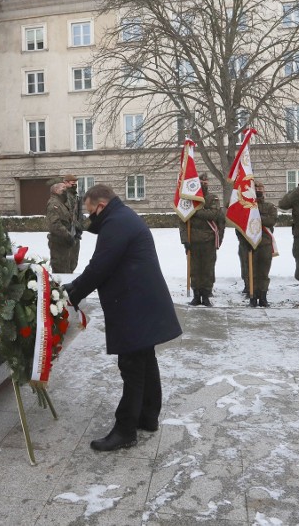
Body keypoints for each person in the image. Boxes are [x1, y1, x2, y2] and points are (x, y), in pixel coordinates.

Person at [63, 185, 182, 452]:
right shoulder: (122, 218)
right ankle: (148, 417)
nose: (89, 217)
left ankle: (125, 430)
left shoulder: (117, 224)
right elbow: (105, 252)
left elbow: (99, 267)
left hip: (134, 305)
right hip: (142, 301)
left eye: (90, 211)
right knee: (145, 360)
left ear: (101, 206)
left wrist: (72, 293)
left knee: (132, 367)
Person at [179, 173, 223, 306]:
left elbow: (213, 214)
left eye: (206, 182)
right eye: (201, 182)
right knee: (195, 270)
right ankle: (196, 295)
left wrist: (195, 212)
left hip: (208, 240)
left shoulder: (212, 198)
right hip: (193, 241)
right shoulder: (188, 201)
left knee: (208, 269)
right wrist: (185, 240)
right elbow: (182, 221)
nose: (204, 184)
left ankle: (206, 295)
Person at [238, 180, 277, 307]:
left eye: (261, 188)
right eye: (257, 189)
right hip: (251, 244)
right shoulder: (246, 207)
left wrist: (255, 217)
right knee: (252, 273)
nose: (259, 190)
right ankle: (253, 297)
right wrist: (245, 242)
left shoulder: (270, 207)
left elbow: (271, 221)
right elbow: (240, 227)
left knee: (264, 273)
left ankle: (263, 297)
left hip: (265, 244)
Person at [46, 182, 77, 273]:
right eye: (63, 187)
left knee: (68, 270)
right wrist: (67, 235)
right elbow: (54, 224)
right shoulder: (53, 203)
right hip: (59, 245)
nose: (66, 189)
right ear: (56, 190)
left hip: (65, 244)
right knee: (61, 273)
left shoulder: (61, 203)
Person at [62, 174, 82, 272]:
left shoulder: (75, 196)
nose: (75, 185)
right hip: (66, 231)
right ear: (65, 183)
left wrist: (79, 227)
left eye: (75, 183)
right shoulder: (63, 196)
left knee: (74, 259)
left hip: (75, 231)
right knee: (66, 260)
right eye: (72, 183)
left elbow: (78, 213)